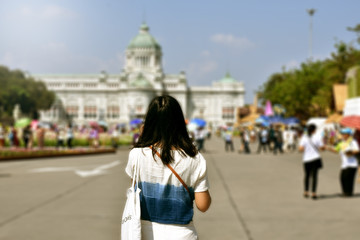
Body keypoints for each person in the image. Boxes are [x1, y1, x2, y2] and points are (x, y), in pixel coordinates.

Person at [125, 95, 211, 240]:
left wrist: (143, 137)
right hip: (182, 234)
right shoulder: (195, 158)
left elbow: (135, 188)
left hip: (144, 233)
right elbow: (203, 205)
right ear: (180, 123)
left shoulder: (136, 155)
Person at [327, 128, 359, 197]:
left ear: (349, 135)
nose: (343, 135)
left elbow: (357, 150)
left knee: (349, 179)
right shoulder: (341, 142)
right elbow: (336, 151)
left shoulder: (352, 142)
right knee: (342, 178)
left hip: (352, 164)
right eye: (342, 134)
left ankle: (348, 193)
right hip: (344, 164)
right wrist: (329, 148)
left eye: (344, 134)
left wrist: (350, 152)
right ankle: (345, 192)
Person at [298, 124, 325, 200]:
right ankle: (314, 193)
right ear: (314, 130)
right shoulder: (317, 137)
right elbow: (321, 148)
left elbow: (300, 149)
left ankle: (306, 191)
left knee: (307, 175)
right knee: (314, 176)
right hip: (315, 158)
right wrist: (324, 147)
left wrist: (305, 149)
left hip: (306, 159)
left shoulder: (304, 138)